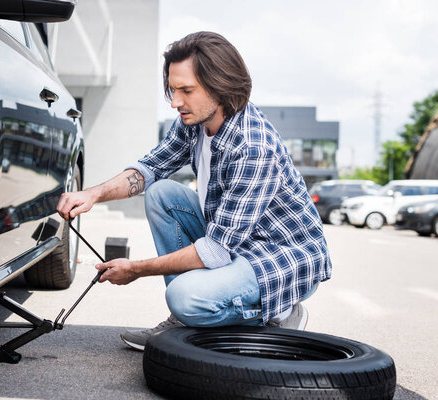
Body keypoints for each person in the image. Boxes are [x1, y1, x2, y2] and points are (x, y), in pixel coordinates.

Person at [56, 31, 332, 351]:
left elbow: (215, 251)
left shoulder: (253, 147)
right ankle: (187, 319)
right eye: (173, 90)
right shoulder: (194, 122)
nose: (175, 102)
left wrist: (135, 269)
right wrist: (92, 194)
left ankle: (280, 313)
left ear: (221, 86)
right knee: (162, 194)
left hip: (281, 258)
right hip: (234, 241)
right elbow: (150, 169)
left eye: (186, 91)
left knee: (183, 297)